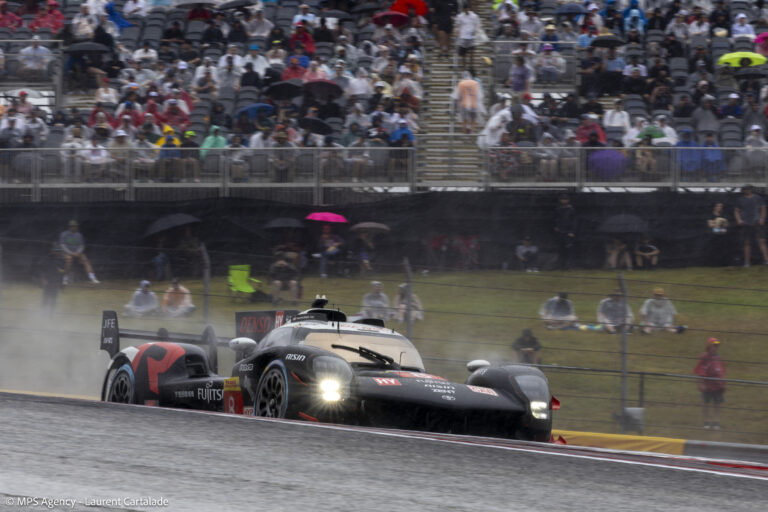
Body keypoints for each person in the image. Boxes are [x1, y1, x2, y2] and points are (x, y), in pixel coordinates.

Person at [694, 337, 726, 430]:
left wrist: (723, 382)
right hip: (707, 384)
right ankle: (706, 422)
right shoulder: (704, 357)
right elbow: (700, 370)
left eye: (717, 346)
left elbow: (721, 371)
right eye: (714, 346)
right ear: (709, 346)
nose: (716, 348)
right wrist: (701, 382)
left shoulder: (718, 358)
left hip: (717, 385)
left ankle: (716, 422)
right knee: (706, 403)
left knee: (717, 404)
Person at [734, 185, 768, 267]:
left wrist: (762, 218)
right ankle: (747, 262)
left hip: (756, 222)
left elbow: (763, 208)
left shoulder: (758, 198)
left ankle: (766, 260)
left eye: (748, 189)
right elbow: (736, 211)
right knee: (746, 242)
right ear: (743, 190)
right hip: (745, 223)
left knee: (761, 241)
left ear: (751, 190)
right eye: (745, 189)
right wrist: (739, 220)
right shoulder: (740, 199)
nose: (747, 191)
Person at [59, 220, 99, 284]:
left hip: (77, 253)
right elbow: (62, 245)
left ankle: (92, 277)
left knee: (85, 260)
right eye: (72, 226)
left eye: (75, 226)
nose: (74, 227)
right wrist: (71, 253)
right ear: (69, 227)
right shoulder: (64, 234)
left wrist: (77, 252)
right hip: (67, 252)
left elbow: (82, 245)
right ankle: (65, 278)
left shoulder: (79, 235)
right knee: (69, 259)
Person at [554, 194, 576, 269]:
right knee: (561, 249)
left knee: (569, 249)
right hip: (560, 232)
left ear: (568, 200)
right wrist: (556, 227)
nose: (564, 201)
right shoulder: (558, 209)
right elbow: (556, 219)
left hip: (568, 232)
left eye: (565, 199)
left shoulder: (571, 210)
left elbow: (573, 221)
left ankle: (569, 265)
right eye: (562, 199)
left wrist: (572, 231)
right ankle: (561, 265)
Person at [455, 4, 479, 69]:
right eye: (465, 9)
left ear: (469, 8)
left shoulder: (474, 16)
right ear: (463, 9)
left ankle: (471, 66)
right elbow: (457, 26)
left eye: (467, 9)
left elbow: (476, 25)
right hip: (463, 36)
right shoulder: (460, 16)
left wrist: (475, 31)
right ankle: (464, 67)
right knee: (463, 53)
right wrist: (456, 32)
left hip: (471, 36)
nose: (466, 10)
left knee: (472, 52)